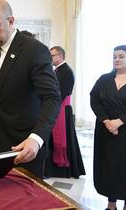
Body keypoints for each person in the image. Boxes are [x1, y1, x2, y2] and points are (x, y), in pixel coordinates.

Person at [0, 0, 61, 178]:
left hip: (25, 145)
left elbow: (52, 98)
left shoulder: (34, 50)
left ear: (11, 21)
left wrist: (36, 139)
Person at [90, 45, 126, 210]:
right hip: (106, 132)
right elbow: (94, 100)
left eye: (121, 56)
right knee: (109, 165)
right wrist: (106, 121)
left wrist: (120, 121)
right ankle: (111, 205)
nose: (117, 59)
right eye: (114, 57)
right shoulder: (104, 79)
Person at [44, 46, 85, 178]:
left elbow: (62, 92)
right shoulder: (58, 70)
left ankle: (63, 169)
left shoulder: (66, 71)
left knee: (64, 140)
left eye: (53, 56)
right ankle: (53, 168)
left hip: (62, 110)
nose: (51, 58)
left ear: (60, 56)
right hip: (57, 108)